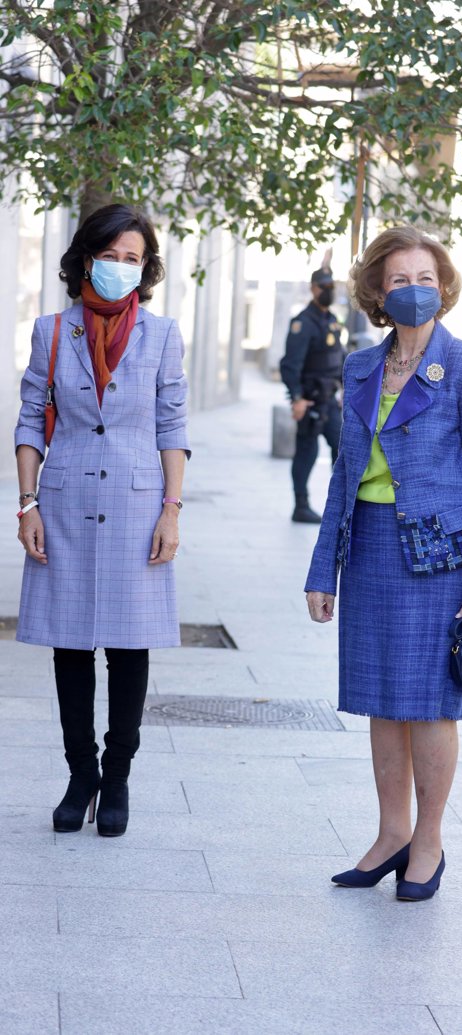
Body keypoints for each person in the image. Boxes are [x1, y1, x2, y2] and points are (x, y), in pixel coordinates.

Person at [305, 225, 462, 901]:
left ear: (443, 287)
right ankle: (391, 832)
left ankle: (428, 840)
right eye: (400, 279)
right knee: (380, 700)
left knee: (429, 703)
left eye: (426, 278)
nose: (415, 289)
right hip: (368, 547)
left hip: (441, 557)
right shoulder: (361, 366)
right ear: (377, 290)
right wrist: (322, 569)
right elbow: (344, 472)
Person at [15, 203, 190, 838]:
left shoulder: (162, 335)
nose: (120, 267)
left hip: (139, 507)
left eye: (132, 258)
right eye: (110, 255)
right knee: (68, 645)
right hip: (63, 504)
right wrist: (27, 503)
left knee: (128, 646)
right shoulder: (51, 331)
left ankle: (116, 778)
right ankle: (79, 775)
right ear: (86, 260)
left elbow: (172, 426)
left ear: (145, 268)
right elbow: (31, 420)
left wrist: (172, 511)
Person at [280, 265, 345, 523]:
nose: (329, 291)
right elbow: (290, 364)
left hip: (329, 398)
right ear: (313, 288)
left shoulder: (331, 320)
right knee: (307, 452)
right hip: (309, 399)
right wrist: (296, 397)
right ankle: (301, 505)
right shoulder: (303, 323)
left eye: (332, 287)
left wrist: (345, 387)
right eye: (324, 287)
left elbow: (338, 357)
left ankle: (341, 504)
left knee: (341, 447)